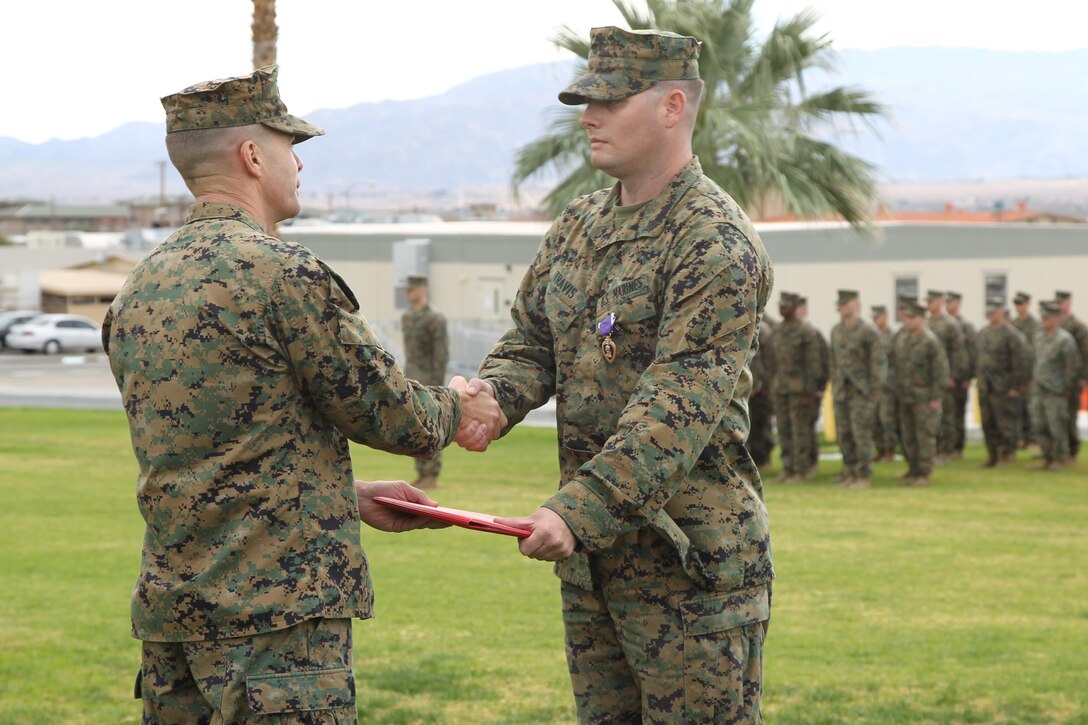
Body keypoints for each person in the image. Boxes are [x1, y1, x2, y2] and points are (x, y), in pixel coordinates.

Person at [102, 66, 506, 724]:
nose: (299, 164)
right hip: (276, 629)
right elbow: (394, 414)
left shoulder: (139, 288)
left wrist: (338, 496)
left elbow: (206, 454)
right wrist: (462, 404)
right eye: (290, 146)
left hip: (173, 627)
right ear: (252, 156)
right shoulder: (282, 274)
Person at [463, 26, 774, 722]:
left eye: (608, 99)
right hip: (597, 566)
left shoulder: (713, 242)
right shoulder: (579, 226)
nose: (587, 115)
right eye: (584, 99)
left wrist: (575, 510)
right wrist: (488, 400)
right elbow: (534, 342)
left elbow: (676, 410)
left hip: (690, 571)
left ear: (671, 107)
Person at [829, 290, 886, 488]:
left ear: (856, 304)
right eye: (841, 304)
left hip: (861, 390)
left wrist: (875, 391)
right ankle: (850, 471)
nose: (843, 308)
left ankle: (863, 475)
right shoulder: (836, 330)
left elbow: (878, 363)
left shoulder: (868, 331)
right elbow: (833, 361)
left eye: (847, 304)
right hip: (841, 390)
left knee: (861, 433)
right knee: (844, 434)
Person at [892, 299, 949, 486]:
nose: (907, 321)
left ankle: (923, 473)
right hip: (905, 396)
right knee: (908, 436)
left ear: (921, 319)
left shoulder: (929, 341)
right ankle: (912, 469)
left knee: (924, 436)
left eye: (911, 318)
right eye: (905, 318)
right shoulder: (902, 339)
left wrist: (936, 397)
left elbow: (940, 371)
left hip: (924, 398)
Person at [770, 292, 826, 482]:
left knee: (799, 431)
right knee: (783, 429)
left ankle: (802, 469)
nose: (781, 308)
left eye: (786, 305)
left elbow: (813, 364)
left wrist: (811, 391)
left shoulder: (805, 331)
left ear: (794, 307)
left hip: (799, 390)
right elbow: (772, 361)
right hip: (781, 388)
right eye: (780, 305)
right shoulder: (777, 331)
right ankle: (788, 468)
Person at [402, 274, 450, 489]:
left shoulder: (435, 319)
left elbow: (441, 354)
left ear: (423, 290)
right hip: (412, 377)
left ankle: (432, 473)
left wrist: (437, 384)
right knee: (416, 428)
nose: (408, 294)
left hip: (430, 380)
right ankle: (421, 473)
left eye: (412, 290)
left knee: (431, 427)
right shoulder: (407, 318)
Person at [975, 298, 1031, 467]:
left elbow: (1021, 362)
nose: (991, 315)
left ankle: (1007, 454)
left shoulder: (1012, 335)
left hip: (1004, 387)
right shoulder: (983, 333)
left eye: (994, 311)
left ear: (1002, 312)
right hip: (986, 385)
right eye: (989, 312)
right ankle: (992, 455)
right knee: (988, 421)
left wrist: (1016, 386)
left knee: (1005, 422)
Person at [1031, 300, 1082, 470]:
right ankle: (1047, 457)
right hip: (1039, 388)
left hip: (1056, 390)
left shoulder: (1065, 340)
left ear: (1056, 319)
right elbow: (1035, 361)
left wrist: (1066, 387)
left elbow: (1072, 366)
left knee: (1057, 425)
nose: (1044, 320)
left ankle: (1060, 458)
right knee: (1039, 424)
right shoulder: (1038, 337)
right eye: (1042, 317)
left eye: (1047, 317)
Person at [925, 290, 968, 464]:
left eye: (932, 301)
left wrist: (954, 375)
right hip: (928, 378)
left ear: (940, 302)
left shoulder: (950, 324)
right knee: (931, 416)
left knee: (947, 415)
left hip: (945, 377)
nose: (929, 304)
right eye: (927, 301)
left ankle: (946, 450)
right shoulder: (926, 323)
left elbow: (958, 352)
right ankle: (933, 449)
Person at [796, 294, 830, 476]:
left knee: (807, 428)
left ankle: (810, 463)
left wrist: (819, 387)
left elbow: (823, 362)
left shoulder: (813, 334)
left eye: (800, 309)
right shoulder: (786, 332)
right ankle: (795, 466)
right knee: (794, 431)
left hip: (809, 391)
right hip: (790, 390)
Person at [1055, 290, 1088, 460]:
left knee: (1069, 415)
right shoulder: (1054, 325)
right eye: (1058, 302)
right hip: (1055, 379)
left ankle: (1072, 449)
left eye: (1063, 302)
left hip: (1072, 378)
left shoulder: (1077, 326)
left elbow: (1084, 353)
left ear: (1069, 303)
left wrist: (1082, 377)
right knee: (1055, 416)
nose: (1060, 305)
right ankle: (1058, 449)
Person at [945, 291, 977, 459]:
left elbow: (971, 353)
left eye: (951, 302)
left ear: (958, 303)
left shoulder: (966, 326)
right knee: (945, 414)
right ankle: (945, 446)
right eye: (946, 302)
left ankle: (957, 447)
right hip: (944, 377)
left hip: (959, 378)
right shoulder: (941, 324)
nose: (948, 305)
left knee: (958, 413)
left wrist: (968, 376)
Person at [746, 315, 778, 468]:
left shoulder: (763, 331)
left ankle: (763, 460)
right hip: (744, 386)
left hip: (760, 388)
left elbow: (770, 361)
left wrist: (765, 384)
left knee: (761, 424)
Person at [1011, 291, 1041, 448]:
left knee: (1031, 407)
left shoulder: (1034, 325)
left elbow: (1036, 351)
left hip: (1031, 371)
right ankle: (1021, 437)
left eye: (1021, 304)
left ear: (1027, 304)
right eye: (1016, 304)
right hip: (1017, 371)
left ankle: (1033, 438)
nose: (1019, 307)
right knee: (1017, 407)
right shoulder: (1013, 325)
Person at [871, 304, 898, 462]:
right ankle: (879, 449)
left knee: (887, 418)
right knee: (875, 420)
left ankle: (890, 451)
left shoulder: (892, 336)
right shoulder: (872, 336)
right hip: (875, 385)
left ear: (885, 317)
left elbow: (896, 361)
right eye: (874, 317)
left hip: (888, 385)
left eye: (878, 317)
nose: (876, 320)